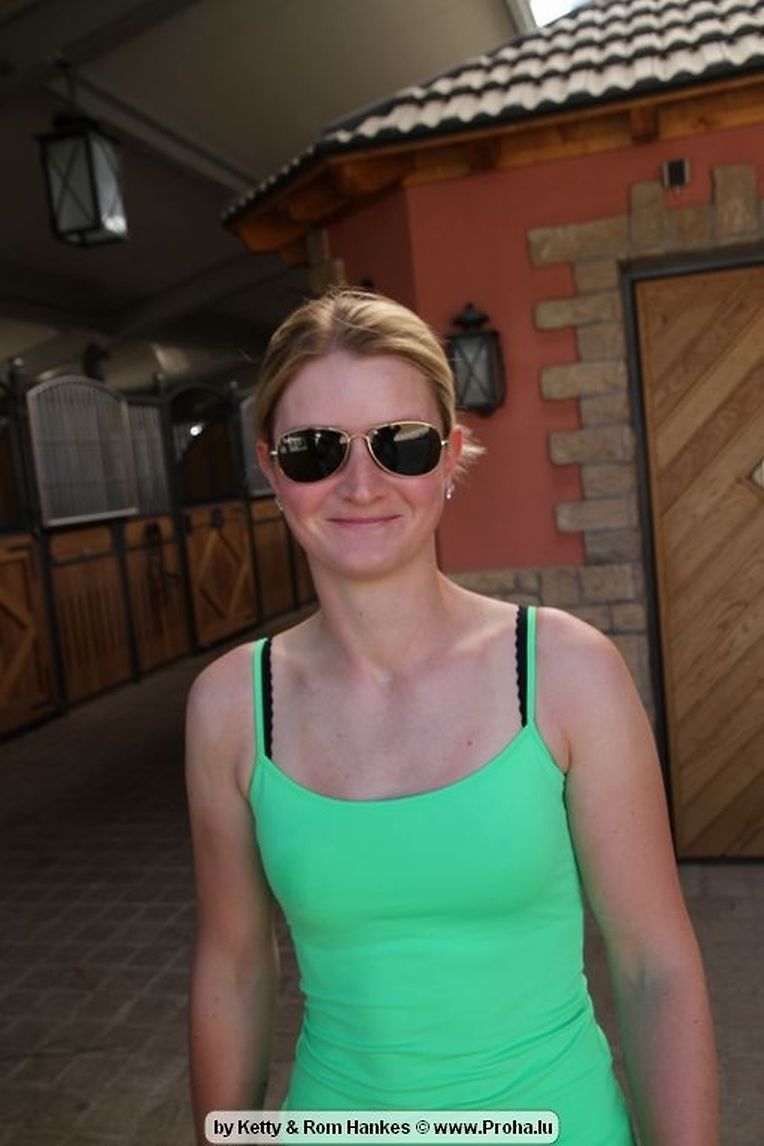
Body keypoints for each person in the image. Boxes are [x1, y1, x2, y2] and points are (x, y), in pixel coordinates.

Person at [186, 288, 718, 1146]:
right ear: (272, 471)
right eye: (316, 450)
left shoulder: (566, 672)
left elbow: (654, 965)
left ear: (450, 457)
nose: (361, 484)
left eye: (400, 443)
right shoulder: (230, 706)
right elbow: (234, 972)